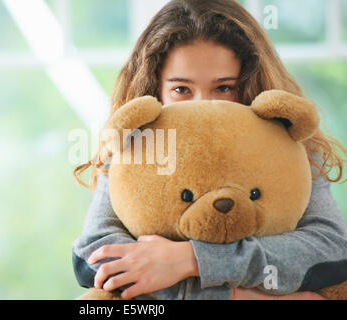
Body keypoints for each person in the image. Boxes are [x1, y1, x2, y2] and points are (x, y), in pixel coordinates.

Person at [72, 0, 347, 300]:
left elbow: (330, 248)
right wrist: (242, 297)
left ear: (251, 85)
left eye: (224, 88)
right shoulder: (135, 148)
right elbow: (94, 257)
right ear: (154, 89)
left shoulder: (287, 148)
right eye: (181, 90)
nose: (201, 103)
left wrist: (190, 260)